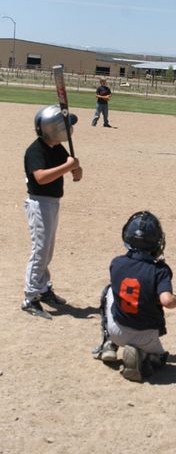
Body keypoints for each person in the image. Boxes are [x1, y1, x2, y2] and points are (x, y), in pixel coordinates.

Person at [94, 211, 176, 382]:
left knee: (109, 291)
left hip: (117, 331)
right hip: (147, 335)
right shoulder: (160, 270)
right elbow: (167, 300)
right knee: (160, 358)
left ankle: (109, 344)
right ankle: (145, 357)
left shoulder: (117, 262)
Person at [22, 105, 83, 319]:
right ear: (53, 128)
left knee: (47, 250)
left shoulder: (56, 147)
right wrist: (67, 167)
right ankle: (30, 297)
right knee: (40, 250)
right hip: (39, 204)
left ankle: (43, 289)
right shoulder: (35, 151)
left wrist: (76, 170)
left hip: (52, 202)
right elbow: (40, 177)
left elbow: (72, 170)